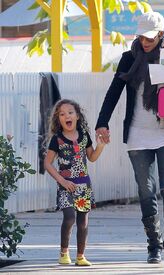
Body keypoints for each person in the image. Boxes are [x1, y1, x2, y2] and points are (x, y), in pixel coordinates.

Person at [95, 11, 164, 266]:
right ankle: (154, 246)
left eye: (149, 37)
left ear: (161, 35)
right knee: (146, 191)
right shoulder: (129, 59)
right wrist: (102, 122)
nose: (144, 41)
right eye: (141, 36)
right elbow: (113, 92)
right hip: (138, 134)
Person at [44, 99, 105, 266]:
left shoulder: (84, 136)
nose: (66, 116)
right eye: (62, 114)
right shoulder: (57, 139)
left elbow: (91, 158)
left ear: (77, 116)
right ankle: (64, 253)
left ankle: (80, 256)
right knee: (69, 217)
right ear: (58, 119)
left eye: (70, 112)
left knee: (83, 221)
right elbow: (47, 164)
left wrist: (100, 146)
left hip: (83, 185)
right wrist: (62, 181)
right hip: (65, 185)